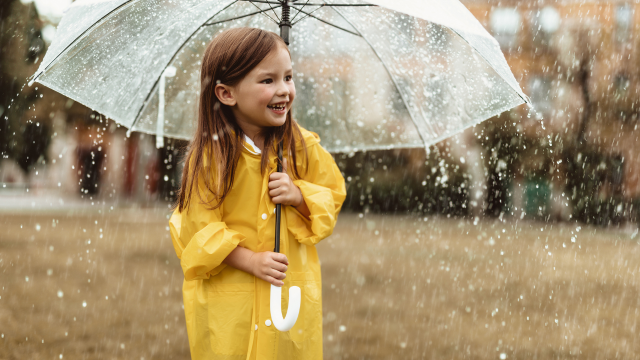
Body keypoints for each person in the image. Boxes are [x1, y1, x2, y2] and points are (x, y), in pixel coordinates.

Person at [168, 27, 346, 360]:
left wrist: (299, 195)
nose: (284, 91)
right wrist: (250, 260)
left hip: (287, 300)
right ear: (226, 93)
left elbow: (332, 194)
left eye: (288, 77)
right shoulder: (210, 157)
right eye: (268, 81)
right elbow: (197, 230)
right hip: (231, 305)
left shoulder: (300, 146)